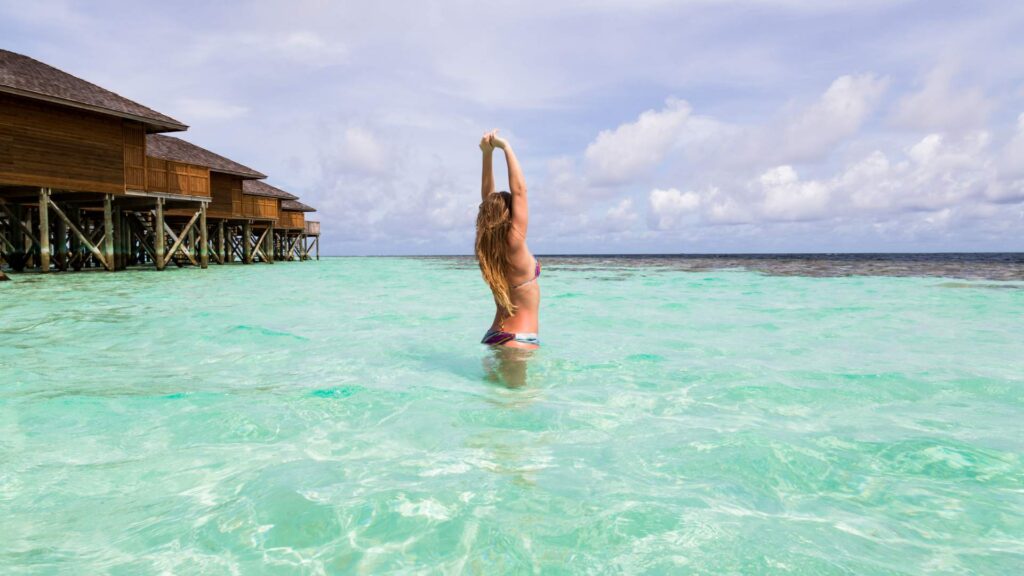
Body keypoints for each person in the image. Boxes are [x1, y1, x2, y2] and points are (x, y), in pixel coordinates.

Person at [476, 130, 540, 349]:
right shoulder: (514, 242)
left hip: (494, 335)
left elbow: (487, 200)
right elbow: (520, 191)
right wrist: (506, 147)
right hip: (519, 339)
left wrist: (487, 154)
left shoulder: (488, 248)